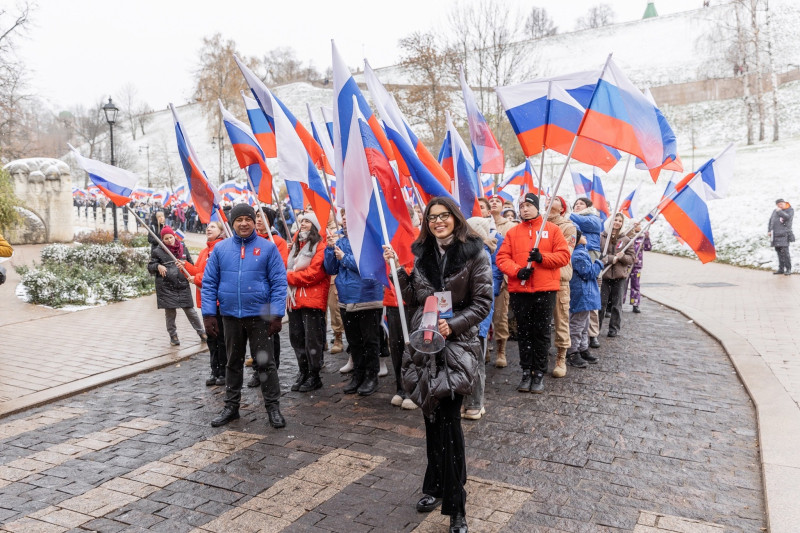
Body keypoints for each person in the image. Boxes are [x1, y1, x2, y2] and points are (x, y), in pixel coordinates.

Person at [384, 197, 491, 533]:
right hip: (425, 346)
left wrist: (454, 324)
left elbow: (483, 302)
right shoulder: (423, 255)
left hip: (458, 348)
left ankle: (456, 507)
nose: (438, 222)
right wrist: (399, 273)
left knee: (449, 422)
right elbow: (414, 297)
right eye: (432, 218)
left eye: (444, 216)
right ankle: (435, 486)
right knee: (430, 417)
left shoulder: (476, 253)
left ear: (455, 219)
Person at [201, 203, 288, 429]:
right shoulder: (221, 250)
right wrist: (209, 313)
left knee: (265, 363)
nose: (244, 223)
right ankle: (231, 407)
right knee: (233, 362)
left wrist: (277, 314)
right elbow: (209, 283)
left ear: (254, 221)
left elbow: (279, 283)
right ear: (232, 223)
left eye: (248, 219)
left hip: (260, 316)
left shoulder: (268, 248)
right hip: (230, 316)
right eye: (239, 219)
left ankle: (273, 407)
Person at [496, 193, 570, 394]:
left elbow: (564, 256)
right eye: (522, 206)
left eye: (529, 205)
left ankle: (539, 373)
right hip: (520, 290)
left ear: (537, 207)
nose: (524, 209)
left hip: (545, 291)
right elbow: (502, 258)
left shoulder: (552, 230)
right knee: (524, 332)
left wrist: (542, 258)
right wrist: (517, 270)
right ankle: (526, 371)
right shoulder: (513, 233)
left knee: (541, 332)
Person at [324, 208, 384, 396]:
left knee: (370, 340)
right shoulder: (340, 241)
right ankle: (358, 375)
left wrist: (345, 258)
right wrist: (329, 249)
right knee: (355, 341)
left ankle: (371, 376)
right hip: (346, 298)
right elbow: (331, 268)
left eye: (347, 215)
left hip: (367, 297)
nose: (344, 219)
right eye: (342, 216)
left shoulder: (370, 240)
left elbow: (369, 268)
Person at [462, 216, 502, 421]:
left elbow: (481, 295)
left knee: (475, 362)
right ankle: (470, 401)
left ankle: (476, 403)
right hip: (466, 317)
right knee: (466, 361)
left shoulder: (480, 255)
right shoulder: (469, 253)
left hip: (476, 318)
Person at [286, 212, 330, 392]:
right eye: (302, 221)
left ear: (315, 226)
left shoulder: (321, 247)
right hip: (294, 299)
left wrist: (288, 277)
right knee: (297, 337)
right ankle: (303, 371)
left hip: (312, 300)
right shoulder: (296, 245)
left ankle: (314, 374)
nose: (303, 224)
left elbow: (314, 274)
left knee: (312, 340)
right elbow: (289, 266)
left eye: (307, 221)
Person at [147, 226, 206, 346]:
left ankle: (201, 333)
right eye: (166, 238)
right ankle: (173, 335)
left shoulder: (183, 247)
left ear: (174, 236)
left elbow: (190, 263)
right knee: (170, 313)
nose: (169, 240)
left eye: (171, 237)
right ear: (162, 239)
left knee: (190, 311)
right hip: (166, 286)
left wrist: (189, 271)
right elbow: (150, 266)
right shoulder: (158, 250)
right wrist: (158, 266)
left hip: (182, 284)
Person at [184, 221, 226, 386]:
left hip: (219, 300)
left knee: (221, 337)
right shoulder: (203, 252)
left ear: (221, 231)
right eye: (208, 226)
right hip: (206, 300)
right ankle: (214, 370)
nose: (208, 228)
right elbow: (197, 272)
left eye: (213, 226)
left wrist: (198, 279)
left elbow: (216, 275)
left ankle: (224, 371)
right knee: (211, 337)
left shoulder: (222, 248)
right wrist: (185, 266)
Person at [547, 196, 577, 378]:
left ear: (562, 208)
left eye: (556, 199)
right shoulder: (537, 223)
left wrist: (541, 253)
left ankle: (561, 358)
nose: (551, 200)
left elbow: (564, 252)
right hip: (540, 279)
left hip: (559, 279)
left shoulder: (568, 226)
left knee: (561, 320)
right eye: (550, 198)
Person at [570, 198, 604, 349]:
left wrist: (569, 215)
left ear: (589, 207)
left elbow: (580, 225)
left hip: (591, 254)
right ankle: (576, 349)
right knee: (580, 314)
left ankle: (592, 335)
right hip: (582, 258)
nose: (577, 206)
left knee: (592, 294)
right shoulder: (577, 252)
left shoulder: (593, 218)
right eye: (576, 204)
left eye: (581, 204)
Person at [567, 230, 604, 368]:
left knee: (584, 324)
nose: (585, 237)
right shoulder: (578, 254)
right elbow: (588, 273)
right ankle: (573, 351)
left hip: (585, 295)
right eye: (581, 235)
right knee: (578, 324)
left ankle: (583, 348)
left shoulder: (581, 252)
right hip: (582, 294)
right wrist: (600, 263)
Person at [487, 194, 516, 368]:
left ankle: (501, 350)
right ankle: (483, 349)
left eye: (498, 201)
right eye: (491, 201)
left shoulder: (510, 226)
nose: (494, 203)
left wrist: (507, 275)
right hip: (482, 278)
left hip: (501, 278)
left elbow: (513, 252)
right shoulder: (482, 223)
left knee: (500, 316)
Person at [599, 213, 635, 338]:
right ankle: (595, 328)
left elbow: (631, 259)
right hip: (604, 276)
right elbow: (598, 255)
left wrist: (622, 257)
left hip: (619, 277)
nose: (617, 222)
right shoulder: (602, 237)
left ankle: (614, 328)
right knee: (601, 304)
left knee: (617, 304)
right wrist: (610, 259)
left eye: (620, 221)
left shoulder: (626, 240)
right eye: (616, 220)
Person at [626, 221, 651, 312]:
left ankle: (635, 304)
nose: (638, 226)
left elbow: (648, 248)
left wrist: (647, 238)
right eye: (636, 224)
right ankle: (619, 303)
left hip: (637, 266)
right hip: (627, 264)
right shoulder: (627, 237)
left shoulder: (642, 237)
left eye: (640, 225)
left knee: (635, 285)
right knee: (623, 285)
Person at [769, 199, 794, 275]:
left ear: (784, 203)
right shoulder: (775, 211)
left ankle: (788, 269)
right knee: (779, 252)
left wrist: (779, 211)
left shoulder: (790, 210)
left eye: (781, 204)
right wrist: (769, 230)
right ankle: (781, 269)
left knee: (785, 253)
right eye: (778, 204)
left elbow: (787, 217)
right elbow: (771, 221)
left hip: (784, 234)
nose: (780, 206)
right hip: (775, 235)